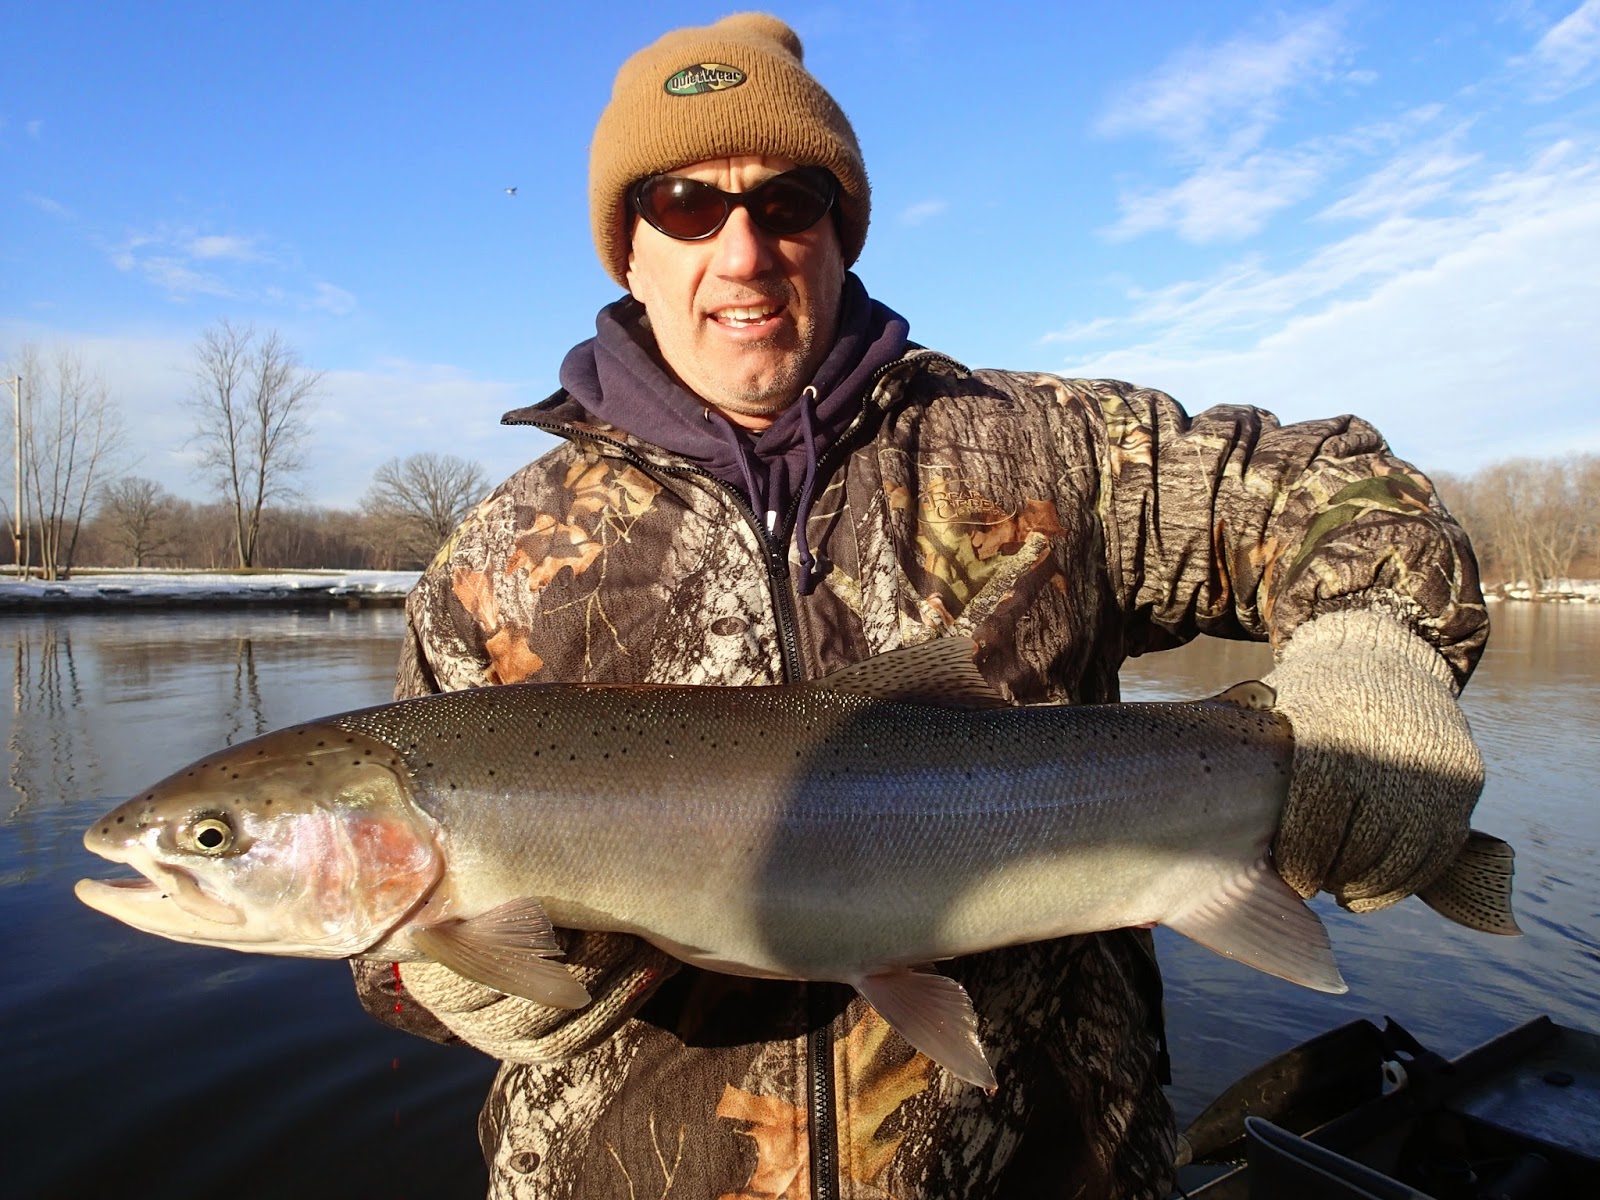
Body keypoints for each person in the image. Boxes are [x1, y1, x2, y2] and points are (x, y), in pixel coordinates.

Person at [353, 13, 1488, 1199]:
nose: (740, 252)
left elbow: (1337, 493)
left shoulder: (1053, 450)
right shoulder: (493, 556)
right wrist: (441, 975)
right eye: (685, 202)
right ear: (624, 248)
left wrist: (1377, 649)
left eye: (788, 201)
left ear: (840, 231)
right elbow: (380, 978)